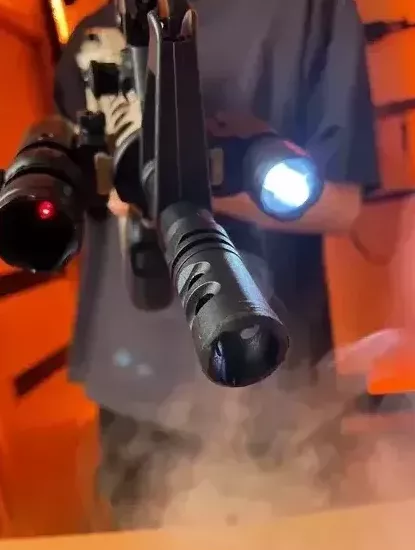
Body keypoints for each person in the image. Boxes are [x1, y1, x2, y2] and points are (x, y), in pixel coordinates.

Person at [55, 0, 380, 528]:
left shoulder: (310, 11)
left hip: (266, 376)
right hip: (128, 388)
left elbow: (340, 203)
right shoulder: (91, 37)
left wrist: (181, 182)